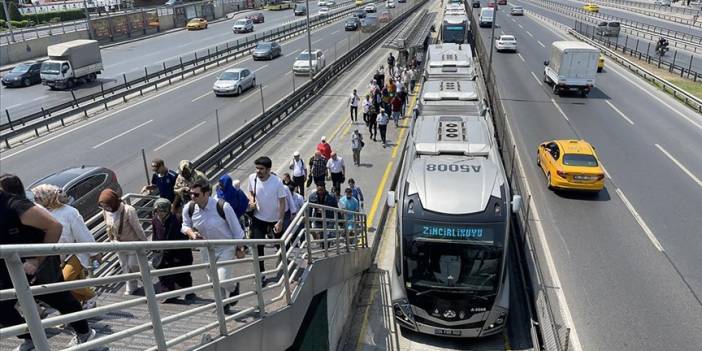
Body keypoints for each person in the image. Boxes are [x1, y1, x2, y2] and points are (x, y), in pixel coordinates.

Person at [1, 175, 97, 350]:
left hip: (36, 265)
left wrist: (37, 260)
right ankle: (31, 338)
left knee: (60, 299)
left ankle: (86, 334)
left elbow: (55, 227)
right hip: (10, 267)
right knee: (2, 307)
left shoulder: (14, 204)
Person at [31, 184, 100, 309]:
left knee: (65, 281)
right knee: (74, 282)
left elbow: (82, 233)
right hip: (55, 257)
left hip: (74, 252)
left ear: (47, 198)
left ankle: (90, 296)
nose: (35, 201)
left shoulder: (69, 212)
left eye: (38, 198)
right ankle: (79, 307)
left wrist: (94, 253)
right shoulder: (40, 212)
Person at [182, 180, 244, 314]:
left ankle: (233, 288)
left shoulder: (223, 206)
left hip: (225, 247)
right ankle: (222, 304)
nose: (192, 197)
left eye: (196, 195)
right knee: (212, 280)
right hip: (206, 248)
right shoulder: (190, 208)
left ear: (207, 194)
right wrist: (192, 233)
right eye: (191, 194)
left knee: (223, 278)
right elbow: (184, 225)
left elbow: (237, 230)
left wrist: (240, 247)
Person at [99, 189, 147, 295]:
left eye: (107, 205)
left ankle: (146, 280)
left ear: (113, 202)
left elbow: (138, 228)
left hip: (132, 244)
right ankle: (131, 287)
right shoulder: (105, 212)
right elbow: (108, 226)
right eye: (102, 206)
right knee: (124, 266)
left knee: (133, 265)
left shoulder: (128, 210)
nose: (105, 208)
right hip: (118, 245)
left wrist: (145, 242)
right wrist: (111, 239)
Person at [247, 157, 288, 278]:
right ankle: (261, 273)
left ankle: (283, 262)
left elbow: (282, 202)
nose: (258, 171)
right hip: (259, 218)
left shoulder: (277, 182)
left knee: (280, 244)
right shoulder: (252, 178)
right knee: (258, 246)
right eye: (257, 168)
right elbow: (250, 192)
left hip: (275, 219)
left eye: (261, 169)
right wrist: (251, 200)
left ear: (268, 169)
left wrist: (280, 221)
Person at [151, 198, 194, 302]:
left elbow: (184, 237)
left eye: (160, 211)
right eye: (156, 211)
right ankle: (167, 293)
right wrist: (155, 248)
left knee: (182, 274)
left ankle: (188, 291)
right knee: (163, 273)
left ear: (166, 210)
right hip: (163, 253)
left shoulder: (178, 219)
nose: (158, 213)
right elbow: (155, 235)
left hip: (179, 253)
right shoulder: (155, 220)